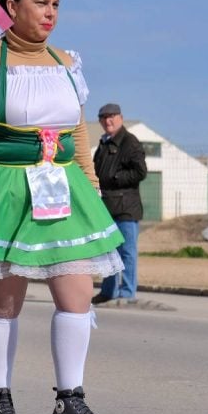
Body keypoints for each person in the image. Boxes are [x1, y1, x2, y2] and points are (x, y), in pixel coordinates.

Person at [0, 0, 123, 414]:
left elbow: (77, 131)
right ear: (12, 5)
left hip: (64, 189)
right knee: (4, 302)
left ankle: (70, 403)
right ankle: (1, 403)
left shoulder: (68, 63)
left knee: (77, 294)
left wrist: (90, 185)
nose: (50, 12)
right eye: (40, 3)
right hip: (4, 190)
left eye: (56, 5)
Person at [92, 102, 147, 305]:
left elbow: (140, 171)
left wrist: (115, 178)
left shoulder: (130, 142)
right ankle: (108, 291)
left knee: (127, 252)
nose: (108, 120)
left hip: (126, 207)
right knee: (108, 251)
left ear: (121, 118)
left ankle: (127, 292)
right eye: (104, 117)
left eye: (112, 116)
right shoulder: (104, 143)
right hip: (107, 208)